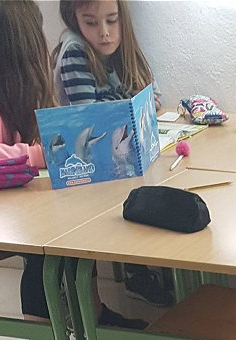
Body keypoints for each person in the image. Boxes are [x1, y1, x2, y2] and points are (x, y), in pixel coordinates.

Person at [0, 0, 144, 340]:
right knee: (41, 252)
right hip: (4, 215)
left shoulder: (23, 88)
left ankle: (93, 315)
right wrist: (33, 153)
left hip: (15, 202)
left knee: (78, 218)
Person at [53, 0, 171, 307]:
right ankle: (139, 272)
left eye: (112, 20)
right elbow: (92, 119)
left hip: (122, 160)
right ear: (74, 19)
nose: (104, 32)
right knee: (141, 195)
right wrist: (130, 106)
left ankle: (146, 269)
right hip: (89, 169)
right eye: (91, 23)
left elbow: (153, 96)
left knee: (160, 182)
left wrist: (134, 105)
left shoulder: (122, 48)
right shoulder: (76, 53)